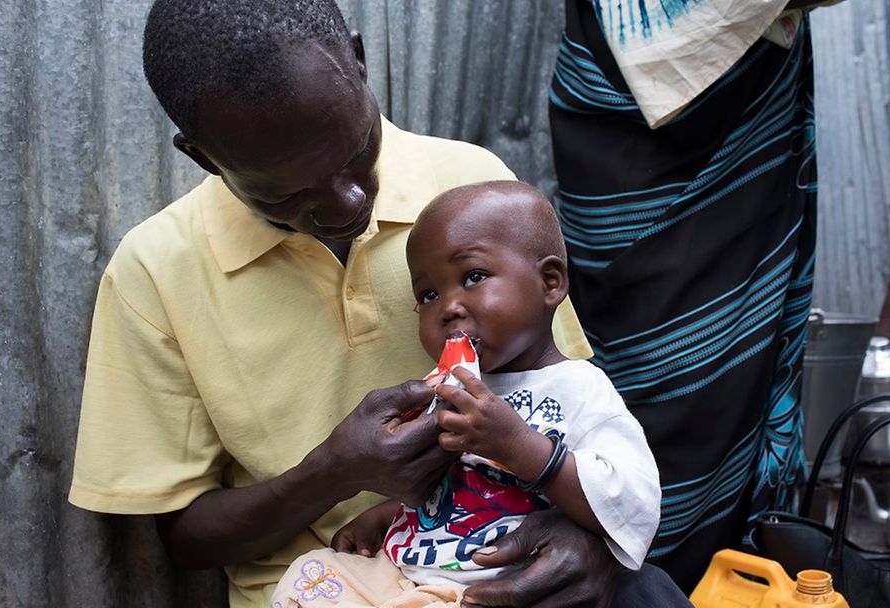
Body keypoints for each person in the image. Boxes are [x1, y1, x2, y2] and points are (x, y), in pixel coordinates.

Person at [68, 1, 691, 607]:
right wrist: (335, 472)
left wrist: (592, 544)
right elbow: (185, 541)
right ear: (203, 157)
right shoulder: (153, 274)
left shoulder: (472, 192)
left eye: (356, 151)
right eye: (285, 195)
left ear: (359, 62)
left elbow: (569, 410)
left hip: (503, 563)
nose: (347, 205)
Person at [548, 0, 835, 592]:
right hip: (616, 101)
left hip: (742, 92)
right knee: (633, 362)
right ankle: (637, 573)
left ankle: (732, 581)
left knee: (737, 356)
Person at [269, 181, 661, 607]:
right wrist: (383, 517)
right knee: (310, 576)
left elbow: (633, 505)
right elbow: (449, 490)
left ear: (550, 283)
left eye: (473, 277)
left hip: (490, 587)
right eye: (428, 294)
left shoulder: (580, 389)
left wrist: (517, 446)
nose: (448, 307)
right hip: (405, 574)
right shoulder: (446, 385)